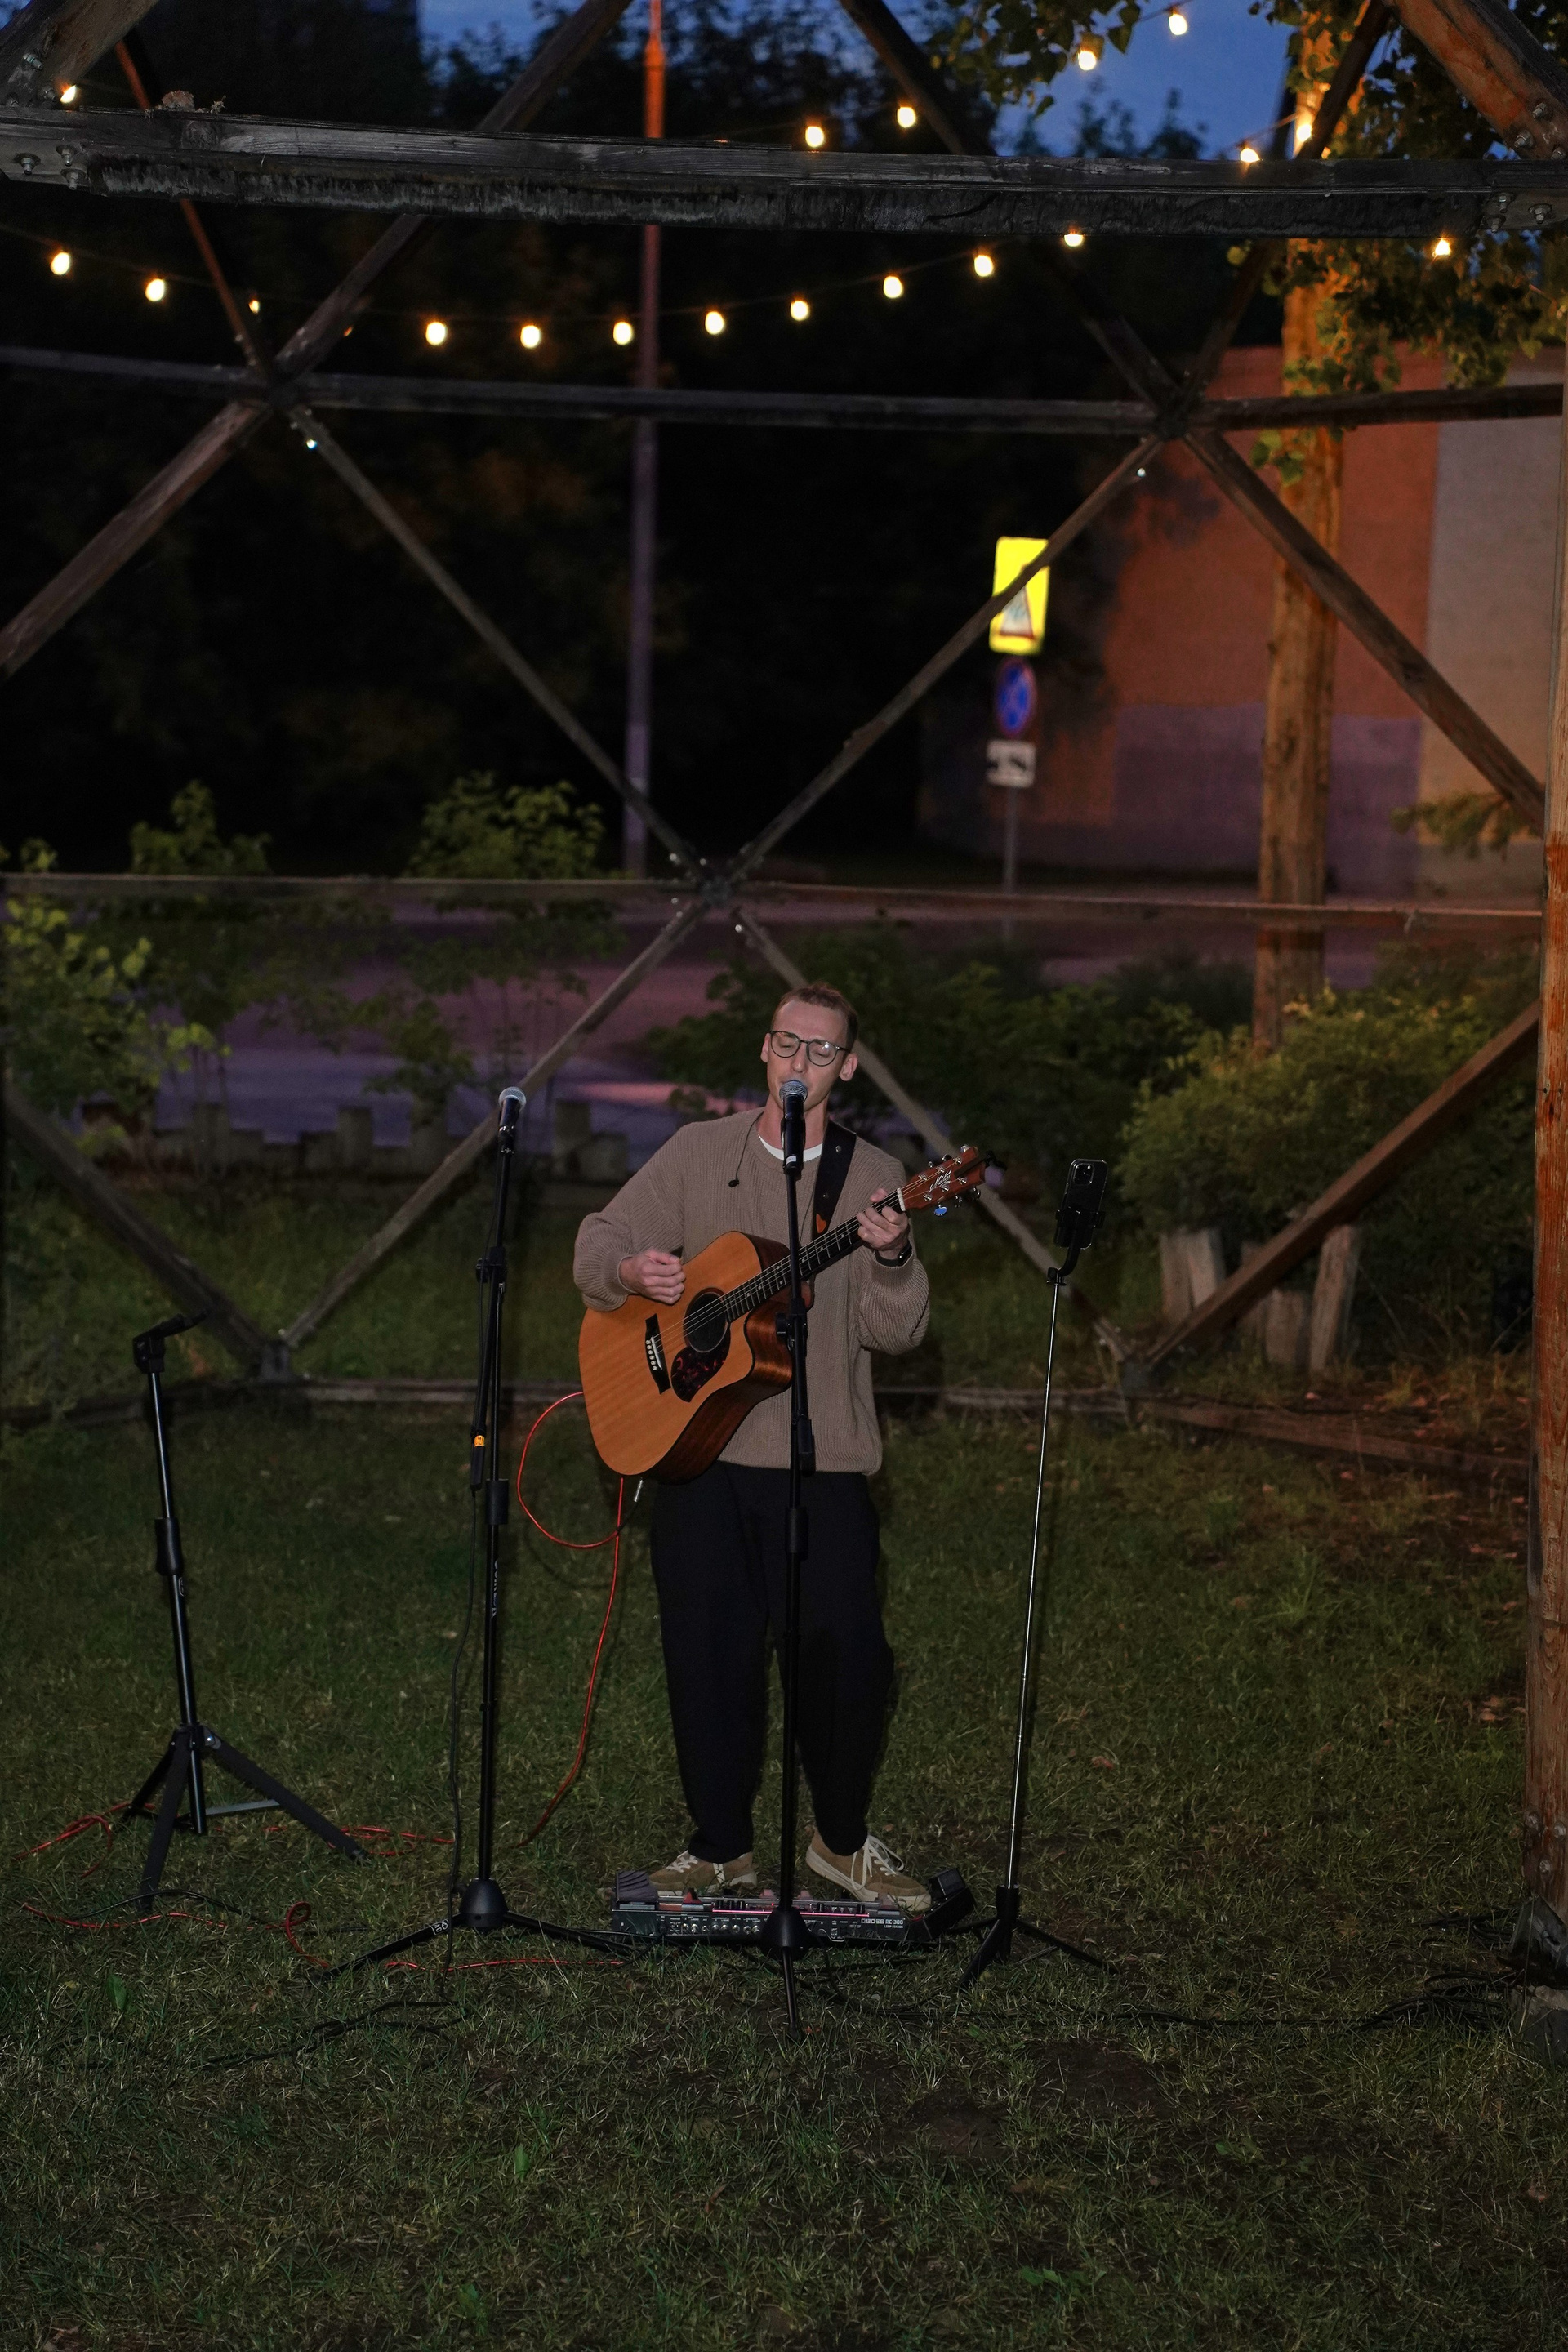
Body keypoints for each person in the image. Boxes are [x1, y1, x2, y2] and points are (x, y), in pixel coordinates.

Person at [572, 982, 933, 1910]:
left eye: (823, 1050)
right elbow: (598, 1241)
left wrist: (892, 1257)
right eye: (788, 1044)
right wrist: (628, 1269)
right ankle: (721, 1848)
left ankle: (840, 1844)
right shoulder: (699, 1152)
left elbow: (897, 1333)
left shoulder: (873, 1175)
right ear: (764, 1051)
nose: (801, 1063)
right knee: (707, 1657)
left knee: (848, 1660)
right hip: (698, 1456)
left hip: (823, 1465)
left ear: (848, 1067)